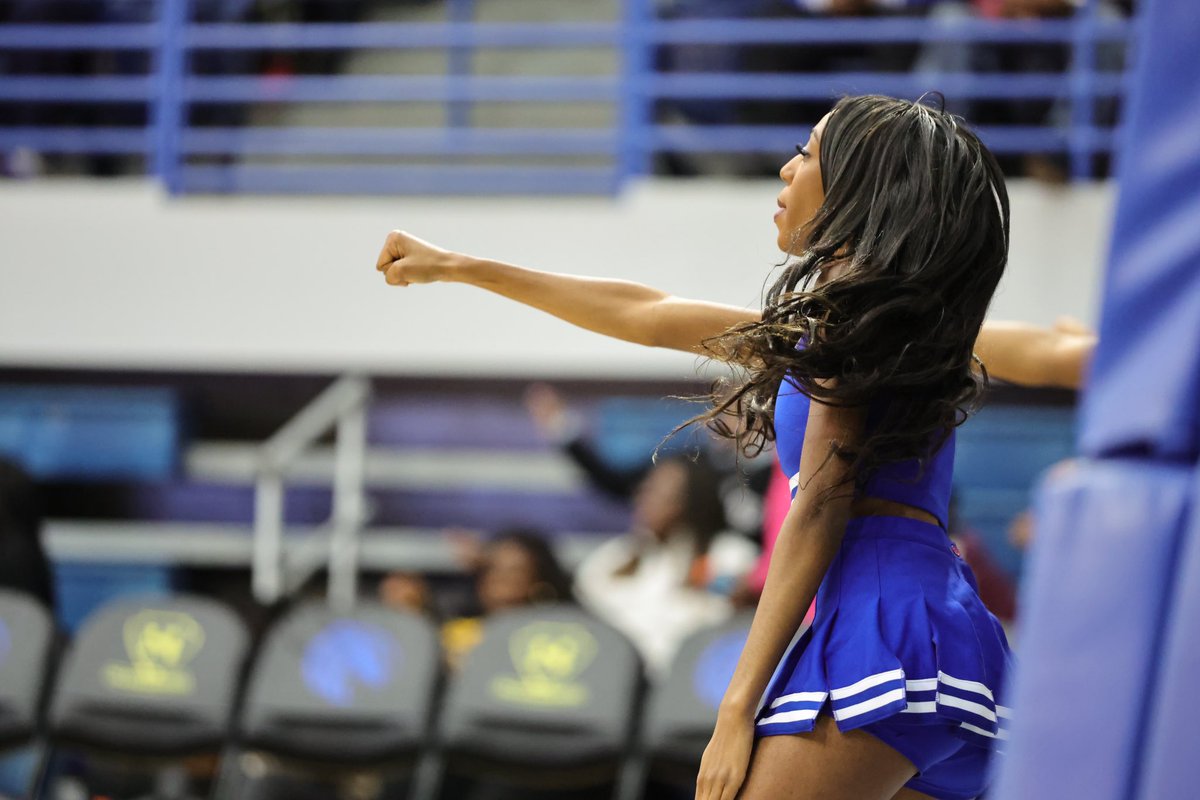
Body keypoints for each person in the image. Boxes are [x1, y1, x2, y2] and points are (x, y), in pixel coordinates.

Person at [374, 94, 1095, 800]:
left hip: (883, 628)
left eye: (806, 153)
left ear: (855, 187)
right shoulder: (889, 325)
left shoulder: (853, 327)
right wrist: (460, 266)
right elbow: (648, 313)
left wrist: (735, 708)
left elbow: (818, 510)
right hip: (942, 630)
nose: (785, 170)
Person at [571, 453, 757, 675]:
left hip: (692, 684)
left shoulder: (730, 555)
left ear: (694, 499)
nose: (645, 497)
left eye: (659, 491)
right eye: (646, 488)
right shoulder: (615, 558)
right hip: (614, 682)